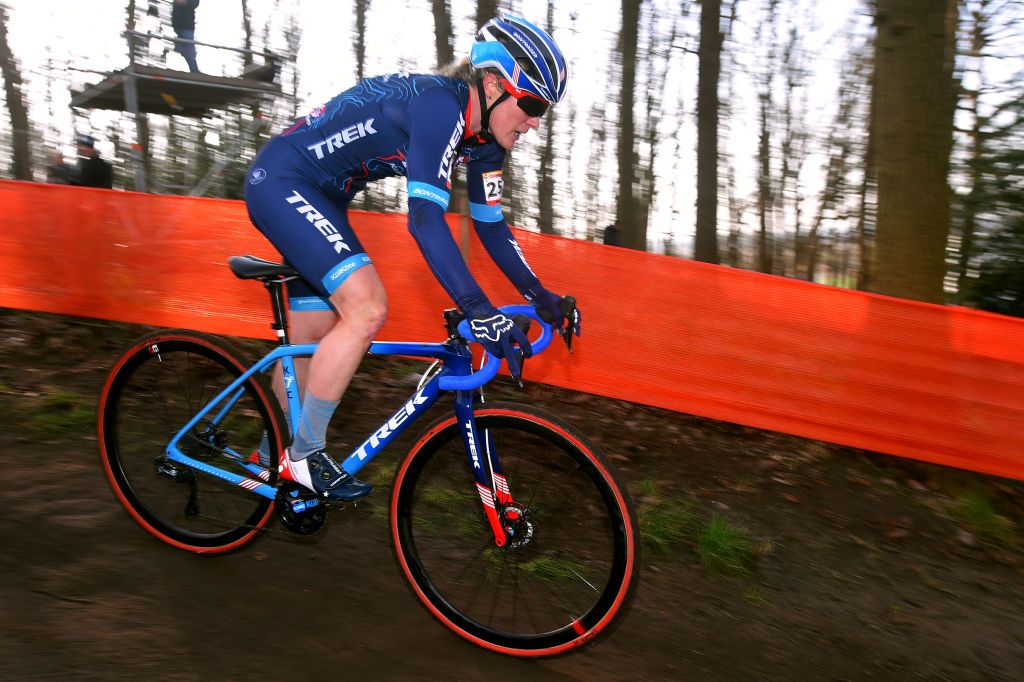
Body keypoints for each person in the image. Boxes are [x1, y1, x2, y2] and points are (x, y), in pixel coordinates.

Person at [244, 14, 581, 501]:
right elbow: (425, 220)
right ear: (490, 84)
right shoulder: (440, 106)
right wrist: (479, 310)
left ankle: (266, 457)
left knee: (312, 338)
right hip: (283, 180)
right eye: (529, 104)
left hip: (322, 198)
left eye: (542, 111)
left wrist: (540, 294)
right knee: (367, 308)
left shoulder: (484, 143)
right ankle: (303, 456)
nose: (533, 122)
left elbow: (490, 226)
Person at [171, 0, 200, 73]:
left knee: (189, 50)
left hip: (187, 26)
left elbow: (194, 3)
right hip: (179, 26)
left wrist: (184, 2)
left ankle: (195, 71)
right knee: (187, 49)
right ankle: (194, 71)